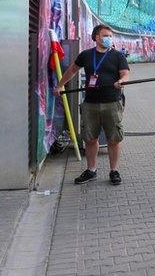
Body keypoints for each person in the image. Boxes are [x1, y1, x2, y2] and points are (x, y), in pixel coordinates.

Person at [54, 25, 129, 185]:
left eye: (110, 35)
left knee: (114, 139)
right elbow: (72, 70)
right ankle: (91, 170)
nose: (108, 38)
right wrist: (60, 85)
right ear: (95, 37)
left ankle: (114, 170)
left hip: (112, 103)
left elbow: (125, 74)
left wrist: (121, 82)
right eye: (105, 35)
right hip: (90, 104)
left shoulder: (118, 56)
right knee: (90, 138)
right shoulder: (86, 55)